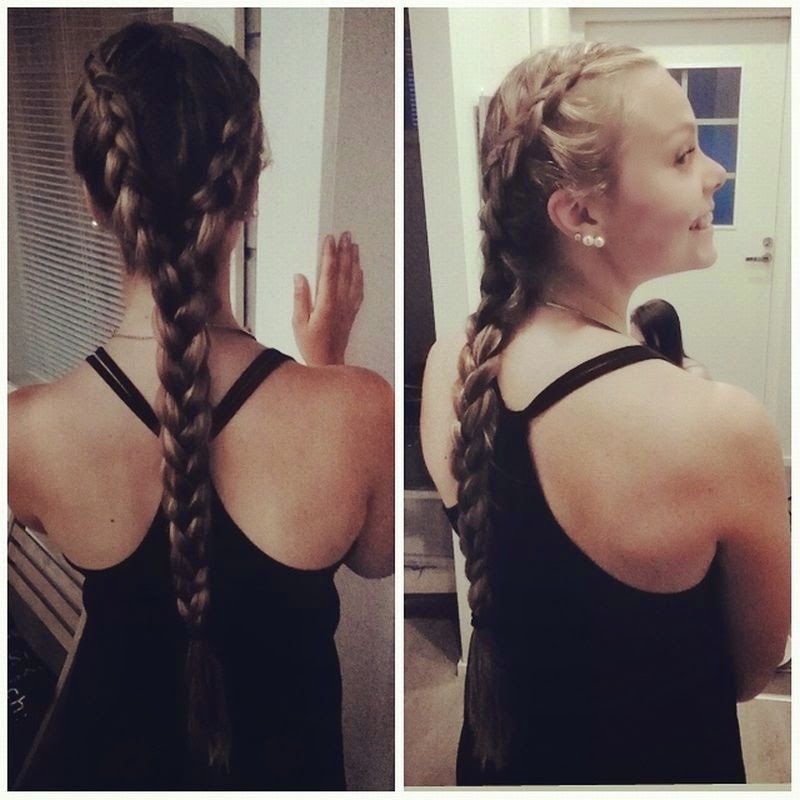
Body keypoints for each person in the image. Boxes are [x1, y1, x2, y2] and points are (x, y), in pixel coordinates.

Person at [8, 21, 393, 790]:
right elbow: (377, 559)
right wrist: (325, 369)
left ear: (93, 199)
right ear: (248, 188)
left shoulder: (26, 431)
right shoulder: (358, 410)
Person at [420, 42, 788, 786]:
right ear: (580, 210)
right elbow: (752, 671)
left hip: (501, 763)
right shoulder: (721, 427)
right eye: (683, 155)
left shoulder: (450, 361)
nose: (716, 172)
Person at [630, 298, 710, 377]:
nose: (638, 351)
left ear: (666, 341)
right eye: (633, 343)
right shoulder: (639, 370)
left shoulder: (694, 374)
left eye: (644, 345)